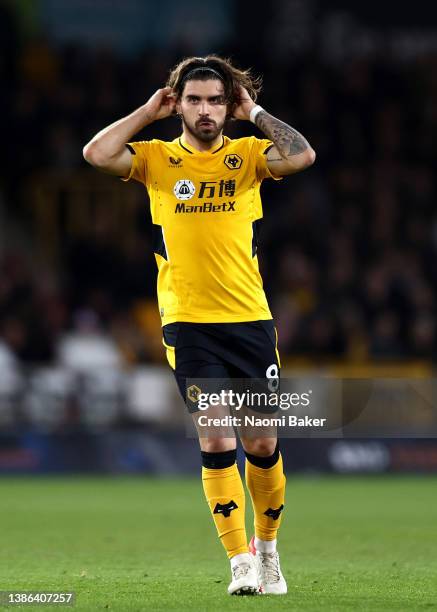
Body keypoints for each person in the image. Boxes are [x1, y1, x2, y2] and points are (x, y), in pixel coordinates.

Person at [83, 54, 315, 596]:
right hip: (188, 323)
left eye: (215, 100)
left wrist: (253, 112)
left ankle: (268, 550)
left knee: (260, 442)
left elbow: (302, 155)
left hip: (250, 319)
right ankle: (239, 561)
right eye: (194, 100)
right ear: (177, 104)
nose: (205, 110)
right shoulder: (157, 159)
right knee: (214, 433)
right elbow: (96, 154)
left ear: (228, 105)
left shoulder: (249, 155)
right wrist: (145, 112)